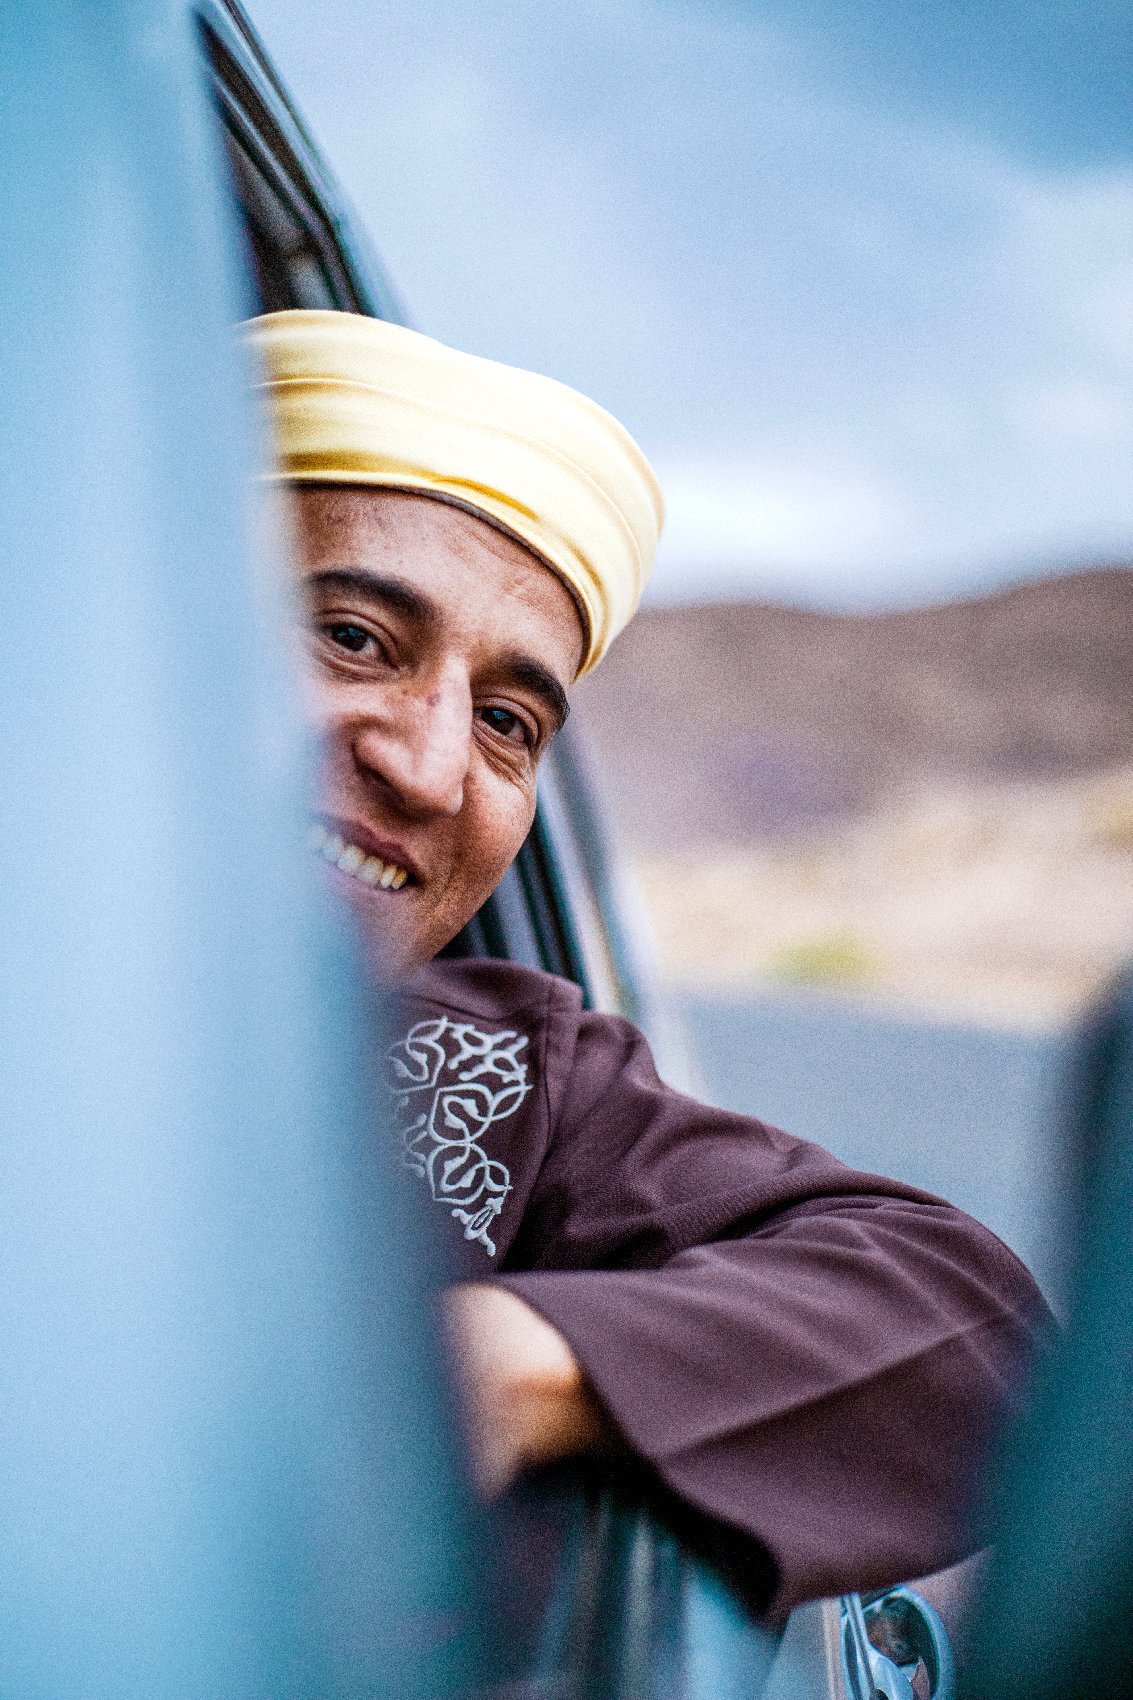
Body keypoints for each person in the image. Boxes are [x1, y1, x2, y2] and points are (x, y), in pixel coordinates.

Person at [247, 308, 1051, 1619]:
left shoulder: (501, 1083)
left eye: (507, 721)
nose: (432, 763)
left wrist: (514, 1361)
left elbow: (974, 1332)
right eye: (351, 637)